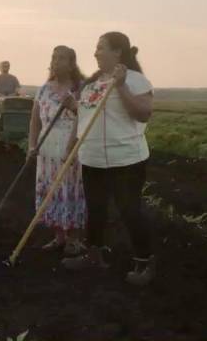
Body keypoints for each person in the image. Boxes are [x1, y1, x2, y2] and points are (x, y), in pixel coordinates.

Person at [61, 31, 156, 286]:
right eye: (96, 48)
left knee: (129, 210)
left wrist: (121, 85)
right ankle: (94, 255)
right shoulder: (93, 84)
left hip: (126, 159)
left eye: (101, 48)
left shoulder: (136, 80)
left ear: (118, 52)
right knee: (96, 209)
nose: (95, 53)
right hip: (92, 159)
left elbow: (144, 114)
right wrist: (71, 146)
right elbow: (84, 119)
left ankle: (144, 262)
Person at [28, 46, 86, 255]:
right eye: (54, 57)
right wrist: (32, 146)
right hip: (47, 149)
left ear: (72, 64)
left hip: (71, 147)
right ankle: (58, 237)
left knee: (71, 191)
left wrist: (74, 106)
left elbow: (85, 118)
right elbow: (35, 121)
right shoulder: (43, 89)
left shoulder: (81, 88)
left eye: (62, 58)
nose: (56, 61)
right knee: (50, 192)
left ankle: (74, 240)